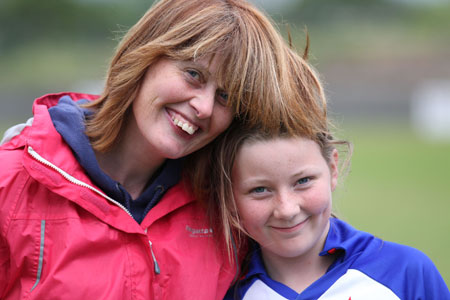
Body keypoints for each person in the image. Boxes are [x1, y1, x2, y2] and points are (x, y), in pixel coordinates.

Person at [0, 0, 318, 298]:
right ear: (145, 57)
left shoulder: (228, 206)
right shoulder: (13, 180)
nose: (204, 107)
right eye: (193, 75)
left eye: (225, 97)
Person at [185, 67, 450, 299]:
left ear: (333, 168)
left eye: (303, 181)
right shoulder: (222, 291)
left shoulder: (406, 275)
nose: (287, 210)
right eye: (260, 190)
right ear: (228, 197)